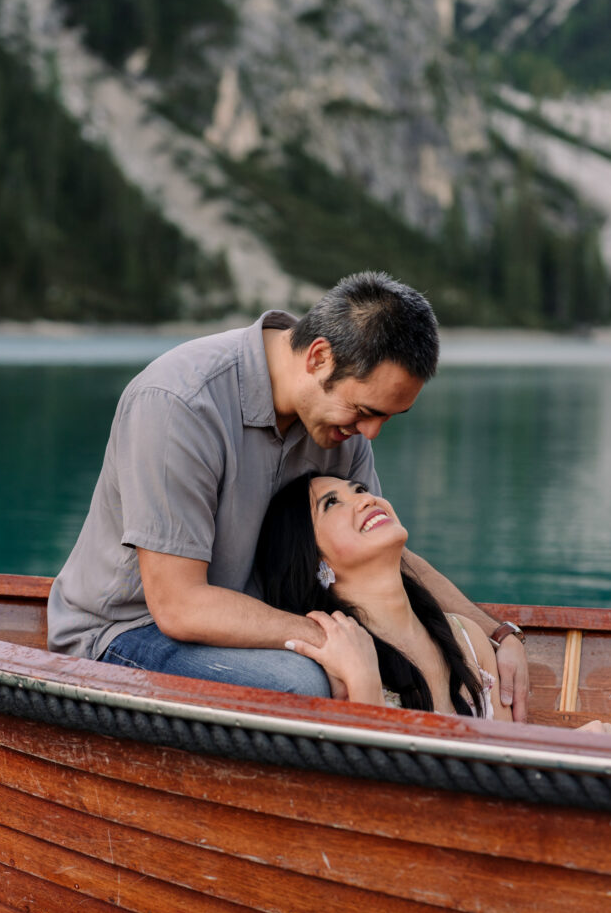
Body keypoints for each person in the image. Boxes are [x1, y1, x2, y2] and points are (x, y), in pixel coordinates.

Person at [48, 271, 529, 716]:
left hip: (253, 624)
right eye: (365, 411)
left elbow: (386, 553)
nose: (372, 433)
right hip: (127, 632)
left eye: (386, 417)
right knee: (307, 683)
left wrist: (496, 633)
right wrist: (340, 641)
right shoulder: (180, 404)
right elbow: (179, 606)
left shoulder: (343, 430)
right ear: (319, 357)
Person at [255, 473, 611, 735]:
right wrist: (365, 685)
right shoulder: (335, 660)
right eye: (332, 503)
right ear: (315, 560)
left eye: (360, 489)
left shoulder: (467, 638)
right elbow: (376, 805)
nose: (366, 498)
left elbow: (506, 771)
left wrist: (577, 746)